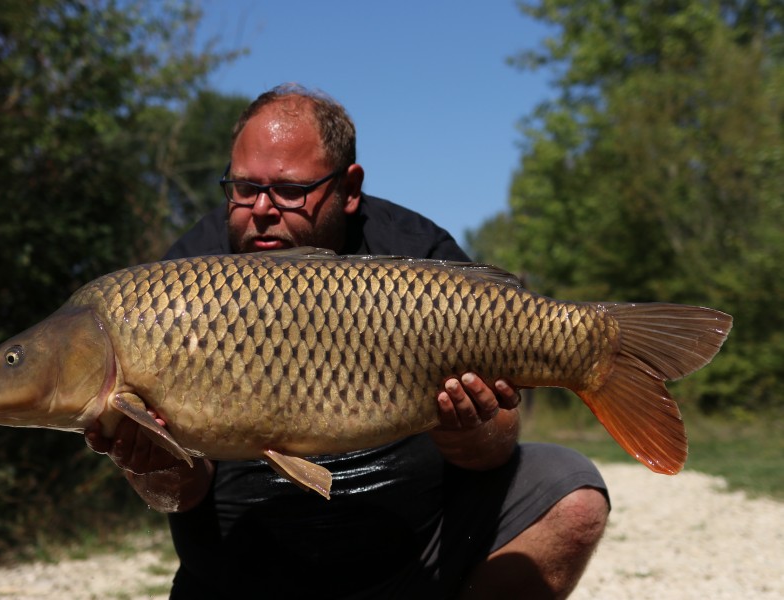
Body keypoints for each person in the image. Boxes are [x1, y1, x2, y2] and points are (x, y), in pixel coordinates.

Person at [86, 84, 609, 599]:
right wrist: (150, 462)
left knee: (572, 495)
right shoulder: (176, 284)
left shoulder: (415, 250)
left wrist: (469, 431)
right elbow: (181, 493)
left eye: (290, 191)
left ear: (348, 187)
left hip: (416, 556)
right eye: (244, 188)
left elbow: (492, 451)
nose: (262, 209)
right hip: (247, 570)